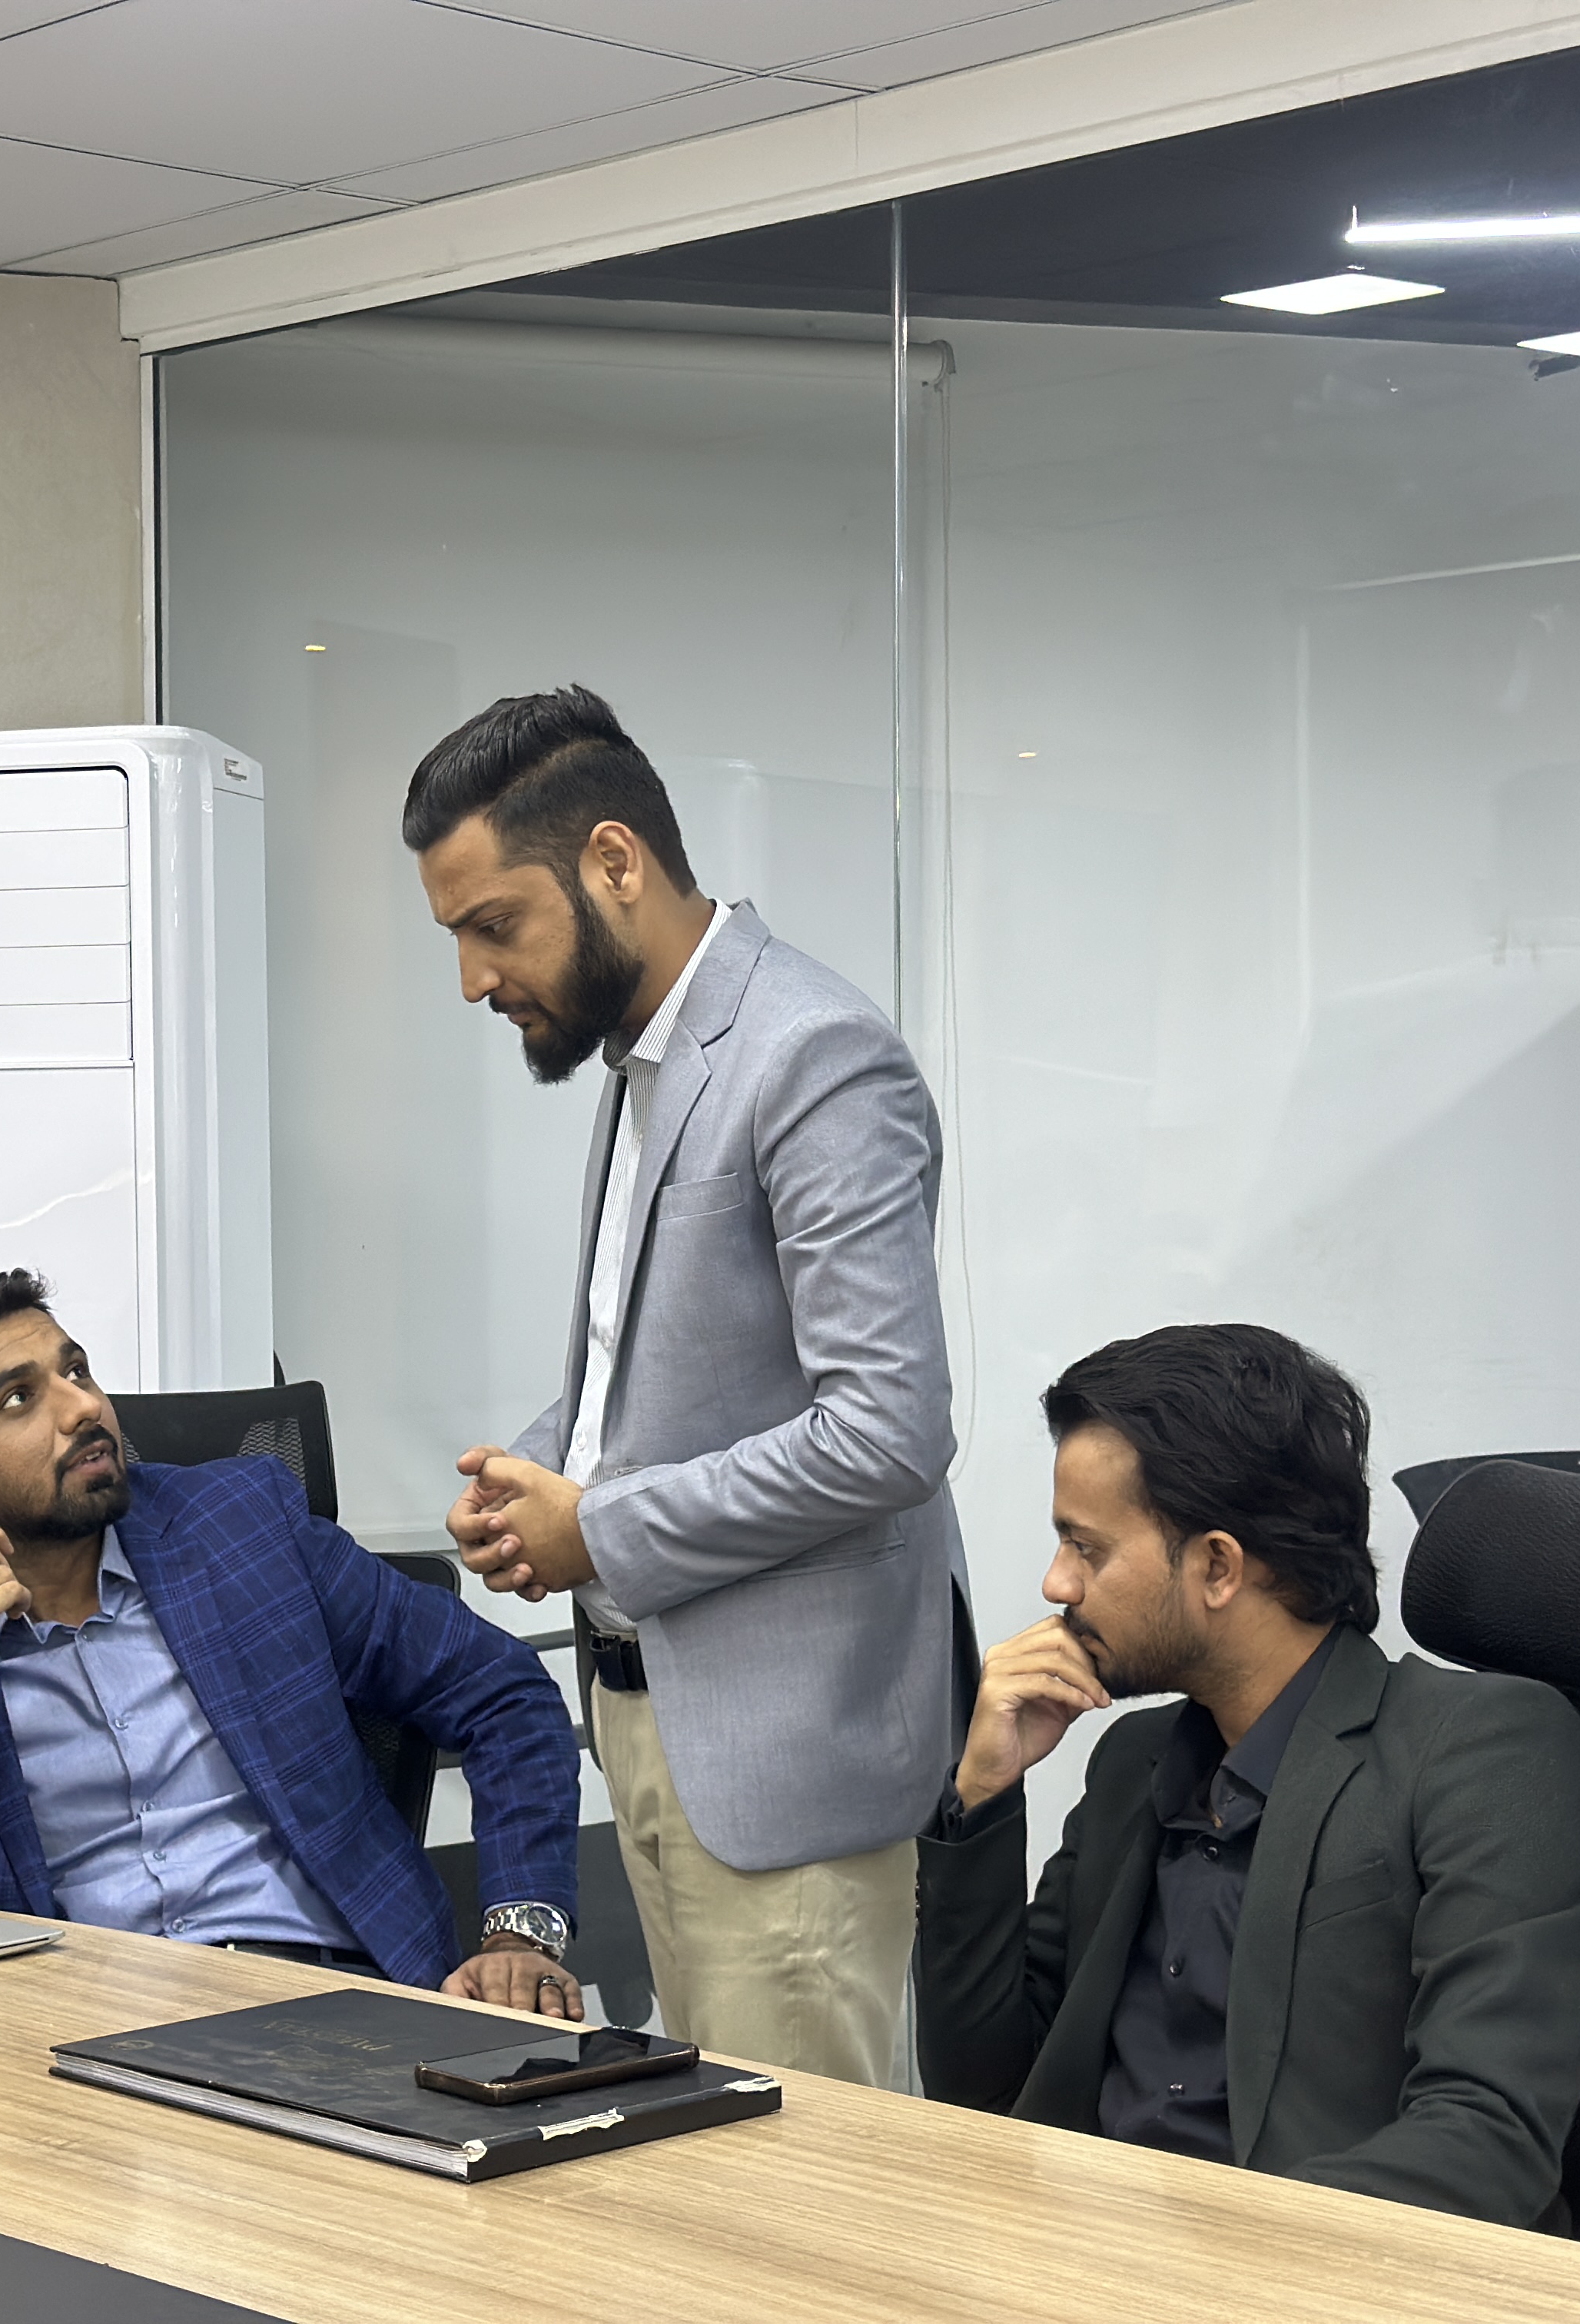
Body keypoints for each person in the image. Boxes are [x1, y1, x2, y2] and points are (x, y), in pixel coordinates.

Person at [408, 685, 959, 2086]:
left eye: (492, 925)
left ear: (612, 862)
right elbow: (647, 1368)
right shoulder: (643, 1057)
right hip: (655, 1721)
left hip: (782, 1761)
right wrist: (540, 1465)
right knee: (711, 2193)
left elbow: (886, 1430)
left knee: (807, 2232)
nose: (473, 977)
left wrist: (598, 1525)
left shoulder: (813, 1053)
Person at [918, 1325, 1580, 2229]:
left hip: (1310, 2277)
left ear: (1217, 1566)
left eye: (1086, 1549)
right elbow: (980, 2088)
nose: (1057, 1585)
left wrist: (1201, 2253)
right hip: (1077, 2256)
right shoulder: (1135, 1764)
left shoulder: (1484, 1748)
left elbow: (1488, 2142)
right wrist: (981, 1793)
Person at [0, 1270, 587, 2016]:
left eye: (76, 1371)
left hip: (332, 2004)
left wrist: (522, 1931)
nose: (80, 1408)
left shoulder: (243, 1526)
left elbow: (499, 1689)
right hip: (78, 2047)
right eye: (19, 1399)